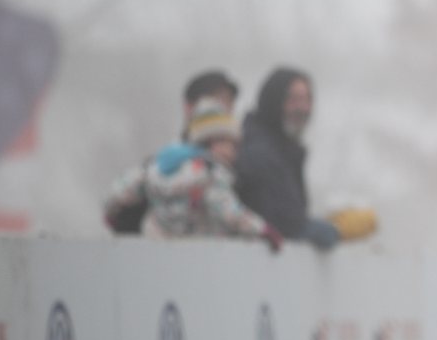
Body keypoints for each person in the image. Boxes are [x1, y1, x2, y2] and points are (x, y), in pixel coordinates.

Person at [104, 69, 240, 234]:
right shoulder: (162, 163)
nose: (223, 109)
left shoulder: (239, 159)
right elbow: (117, 199)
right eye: (217, 100)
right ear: (189, 107)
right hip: (171, 251)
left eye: (229, 103)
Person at [138, 97, 281, 249]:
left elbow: (127, 188)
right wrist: (261, 229)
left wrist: (112, 214)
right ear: (210, 141)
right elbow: (227, 208)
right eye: (229, 143)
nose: (234, 152)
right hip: (197, 250)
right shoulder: (212, 172)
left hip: (156, 245)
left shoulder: (156, 166)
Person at [234, 67, 343, 250]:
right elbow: (284, 224)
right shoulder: (260, 153)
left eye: (307, 100)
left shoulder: (286, 152)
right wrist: (333, 231)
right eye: (294, 100)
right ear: (273, 102)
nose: (302, 108)